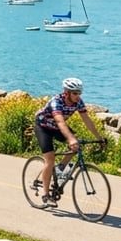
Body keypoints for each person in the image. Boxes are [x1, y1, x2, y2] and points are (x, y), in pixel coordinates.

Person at [34, 77, 104, 205]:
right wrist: (71, 139)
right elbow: (60, 122)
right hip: (43, 127)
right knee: (50, 159)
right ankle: (45, 195)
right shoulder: (56, 102)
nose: (78, 96)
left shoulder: (78, 102)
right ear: (66, 93)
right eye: (75, 93)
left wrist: (99, 138)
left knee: (77, 146)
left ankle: (60, 168)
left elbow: (87, 121)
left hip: (56, 127)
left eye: (79, 93)